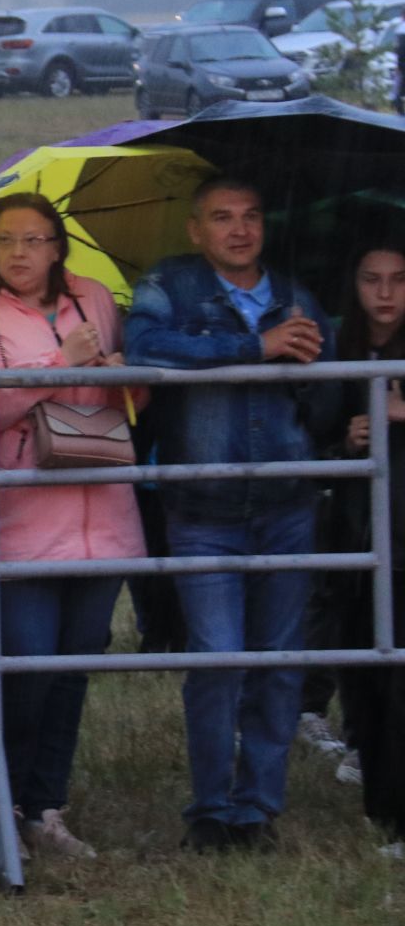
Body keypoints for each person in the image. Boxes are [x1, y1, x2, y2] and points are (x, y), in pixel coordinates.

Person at [125, 176, 335, 852]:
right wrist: (255, 350)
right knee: (217, 659)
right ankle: (211, 809)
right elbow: (145, 349)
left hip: (288, 502)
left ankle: (257, 811)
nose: (239, 230)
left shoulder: (297, 296)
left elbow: (330, 401)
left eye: (251, 216)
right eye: (222, 217)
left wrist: (309, 371)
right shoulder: (170, 284)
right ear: (195, 229)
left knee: (278, 662)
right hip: (203, 506)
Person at [0, 193, 146, 861]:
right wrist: (65, 362)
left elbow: (122, 397)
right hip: (17, 516)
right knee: (20, 667)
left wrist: (124, 375)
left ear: (58, 246)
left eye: (33, 240)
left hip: (102, 513)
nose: (19, 253)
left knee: (71, 670)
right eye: (6, 241)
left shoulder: (95, 299)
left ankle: (45, 808)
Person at [324, 242, 405, 856]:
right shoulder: (339, 350)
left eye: (399, 280)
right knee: (366, 679)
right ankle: (381, 806)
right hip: (356, 538)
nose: (386, 293)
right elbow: (315, 437)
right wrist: (347, 438)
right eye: (371, 279)